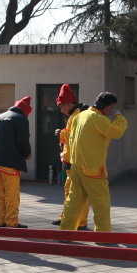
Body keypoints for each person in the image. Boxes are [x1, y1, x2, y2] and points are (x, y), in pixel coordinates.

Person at [58, 91, 128, 233]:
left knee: (73, 202)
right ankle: (102, 236)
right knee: (101, 203)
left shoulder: (80, 115)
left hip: (76, 166)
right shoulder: (99, 119)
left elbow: (70, 137)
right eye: (111, 107)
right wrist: (119, 117)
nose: (111, 111)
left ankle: (65, 232)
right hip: (93, 169)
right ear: (106, 106)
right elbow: (117, 132)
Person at [0, 96, 33, 228]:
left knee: (0, 194)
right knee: (11, 195)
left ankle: (0, 221)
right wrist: (27, 154)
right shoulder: (21, 119)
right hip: (10, 163)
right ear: (25, 111)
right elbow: (22, 141)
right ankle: (12, 223)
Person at [51, 84, 89, 229]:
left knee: (78, 194)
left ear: (68, 104)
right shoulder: (74, 115)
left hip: (75, 161)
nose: (61, 110)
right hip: (69, 161)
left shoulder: (77, 115)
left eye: (61, 106)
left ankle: (81, 221)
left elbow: (77, 136)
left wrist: (61, 134)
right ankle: (66, 218)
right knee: (69, 193)